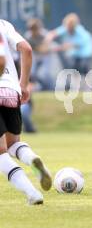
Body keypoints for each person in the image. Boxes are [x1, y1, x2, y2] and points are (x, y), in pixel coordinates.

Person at [0, 19, 52, 205]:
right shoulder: (3, 25)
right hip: (11, 91)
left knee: (0, 154)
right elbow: (27, 49)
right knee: (13, 144)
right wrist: (23, 85)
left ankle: (32, 193)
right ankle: (32, 160)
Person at [46, 13, 92, 90]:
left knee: (85, 71)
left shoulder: (80, 32)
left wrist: (58, 48)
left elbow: (73, 45)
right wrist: (48, 39)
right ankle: (76, 88)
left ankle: (88, 88)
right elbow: (52, 34)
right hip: (74, 54)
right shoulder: (66, 28)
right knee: (73, 71)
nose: (67, 28)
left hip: (85, 53)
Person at [24, 18, 54, 91]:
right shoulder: (28, 36)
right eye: (32, 29)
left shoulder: (45, 34)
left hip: (45, 56)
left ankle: (51, 89)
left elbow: (47, 49)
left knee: (43, 74)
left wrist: (44, 47)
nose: (34, 31)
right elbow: (36, 49)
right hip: (35, 55)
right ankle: (36, 88)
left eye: (35, 29)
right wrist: (41, 48)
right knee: (32, 72)